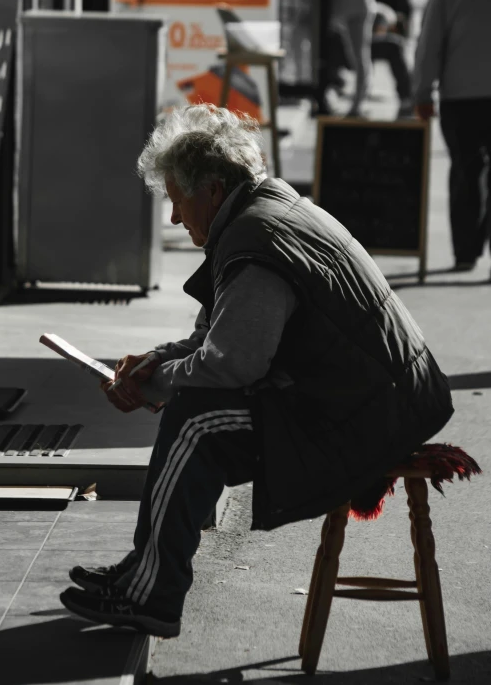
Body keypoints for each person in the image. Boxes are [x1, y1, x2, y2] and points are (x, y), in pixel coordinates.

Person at [59, 104, 454, 638]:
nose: (174, 218)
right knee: (192, 406)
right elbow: (219, 336)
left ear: (214, 190)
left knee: (196, 422)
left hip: (371, 414)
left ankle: (153, 592)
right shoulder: (264, 212)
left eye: (177, 201)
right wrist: (158, 360)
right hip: (377, 397)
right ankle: (145, 573)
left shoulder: (254, 240)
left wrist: (156, 382)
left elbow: (233, 361)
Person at [413, 0, 491, 273]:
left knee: (465, 170)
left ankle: (465, 252)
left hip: (460, 96)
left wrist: (422, 91)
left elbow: (430, 40)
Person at [328, 1, 414, 118]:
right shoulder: (387, 16)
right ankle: (406, 100)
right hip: (345, 42)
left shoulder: (384, 13)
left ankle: (406, 99)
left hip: (344, 40)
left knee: (390, 47)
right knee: (394, 47)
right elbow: (370, 36)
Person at [328, 0, 392, 116]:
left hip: (359, 5)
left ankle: (358, 103)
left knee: (359, 55)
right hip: (334, 3)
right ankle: (331, 95)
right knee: (336, 54)